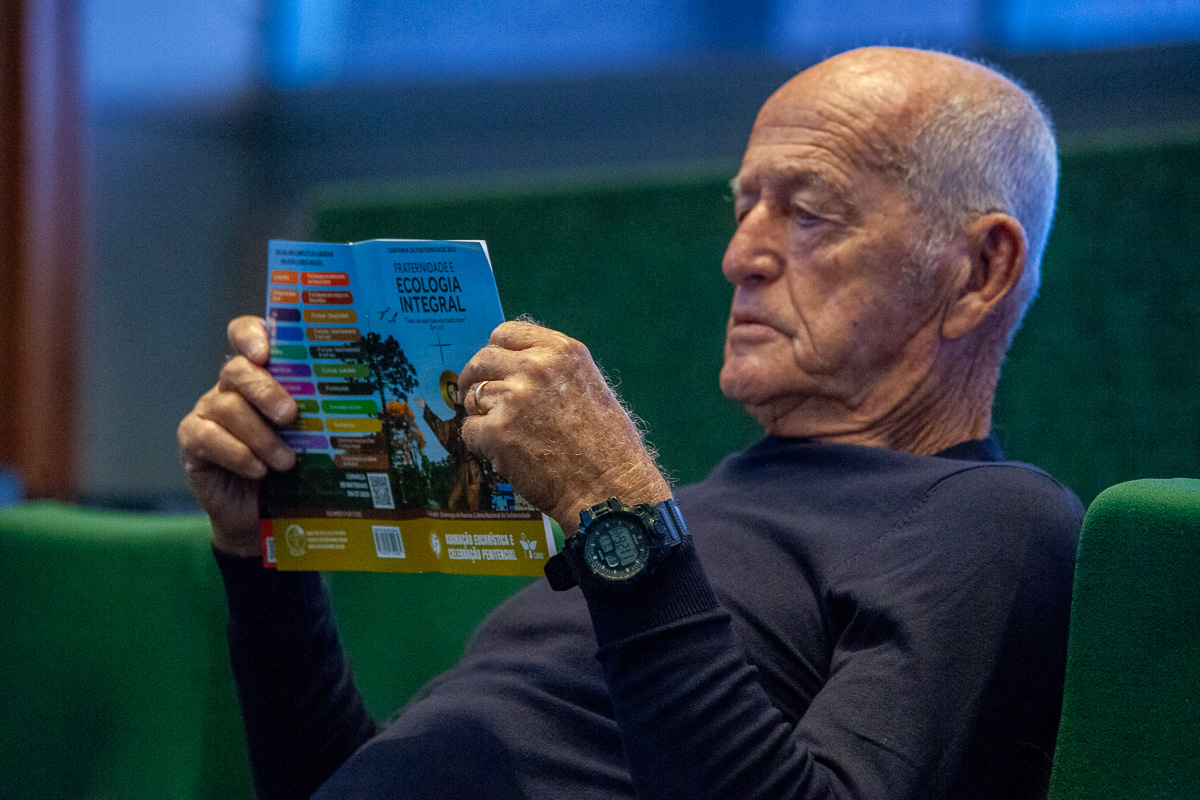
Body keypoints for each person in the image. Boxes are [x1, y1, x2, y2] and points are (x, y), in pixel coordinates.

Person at [178, 46, 1082, 799]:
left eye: (809, 213)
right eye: (743, 208)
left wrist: (616, 507)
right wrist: (263, 557)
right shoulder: (698, 513)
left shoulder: (992, 519)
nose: (739, 256)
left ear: (980, 272)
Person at [415, 371, 486, 513]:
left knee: (475, 503)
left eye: (455, 391)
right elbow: (442, 430)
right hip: (460, 469)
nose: (453, 395)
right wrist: (426, 409)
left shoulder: (471, 415)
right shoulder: (453, 423)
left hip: (474, 468)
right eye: (451, 393)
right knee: (454, 503)